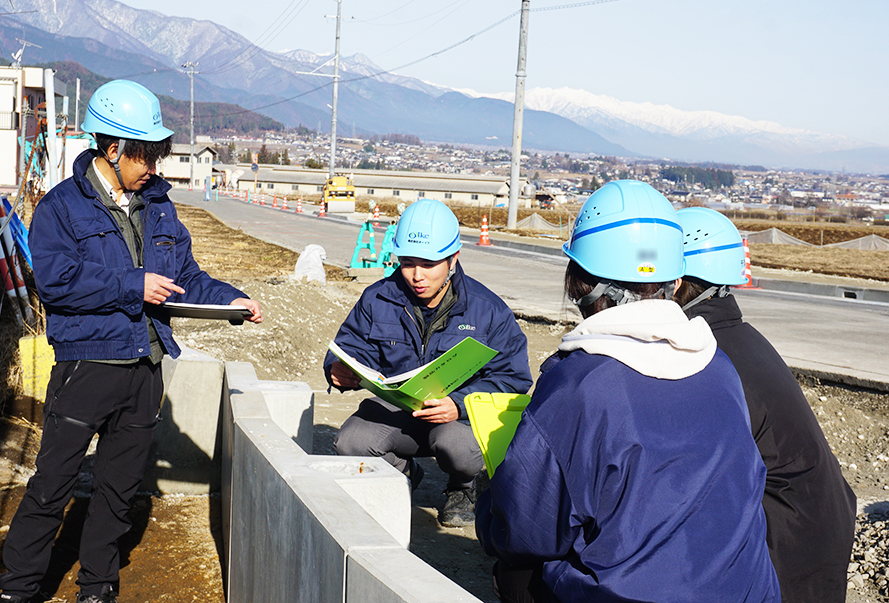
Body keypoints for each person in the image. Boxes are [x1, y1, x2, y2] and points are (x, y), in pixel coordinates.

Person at [0, 79, 263, 603]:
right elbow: (54, 281)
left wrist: (231, 301)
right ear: (111, 148)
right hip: (87, 366)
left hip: (146, 367)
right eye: (143, 155)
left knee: (118, 491)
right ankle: (19, 588)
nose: (153, 167)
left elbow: (187, 275)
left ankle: (97, 587)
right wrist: (129, 284)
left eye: (156, 155)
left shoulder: (159, 206)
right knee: (53, 484)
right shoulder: (61, 208)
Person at [475, 180, 780, 603]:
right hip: (746, 591)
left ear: (582, 284)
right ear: (673, 282)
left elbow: (526, 528)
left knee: (516, 571)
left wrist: (489, 496)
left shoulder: (579, 386)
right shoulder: (718, 366)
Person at [674, 206, 856, 603]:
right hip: (816, 528)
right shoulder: (737, 335)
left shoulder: (703, 354)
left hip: (787, 549)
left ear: (676, 283)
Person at [325, 199, 532, 527]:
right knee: (350, 442)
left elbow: (514, 378)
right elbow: (350, 346)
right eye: (407, 262)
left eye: (429, 263)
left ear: (453, 259)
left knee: (457, 447)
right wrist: (338, 370)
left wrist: (458, 404)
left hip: (455, 422)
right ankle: (403, 470)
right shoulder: (378, 299)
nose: (416, 275)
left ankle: (463, 487)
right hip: (399, 413)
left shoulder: (487, 310)